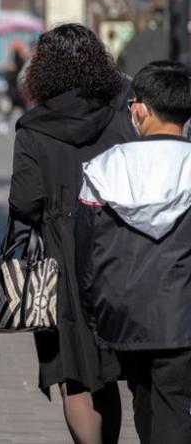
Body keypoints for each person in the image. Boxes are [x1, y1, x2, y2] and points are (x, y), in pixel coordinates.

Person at [8, 23, 132, 444]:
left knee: (74, 373)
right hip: (116, 246)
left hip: (60, 258)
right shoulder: (121, 118)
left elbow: (24, 202)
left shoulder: (33, 128)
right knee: (109, 371)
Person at [76, 61, 191, 444]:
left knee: (144, 407)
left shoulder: (105, 168)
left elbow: (85, 253)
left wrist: (95, 314)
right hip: (183, 318)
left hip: (123, 315)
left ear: (140, 108)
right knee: (175, 409)